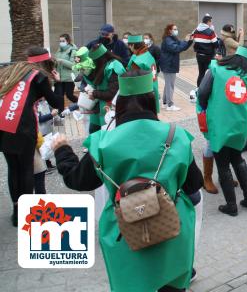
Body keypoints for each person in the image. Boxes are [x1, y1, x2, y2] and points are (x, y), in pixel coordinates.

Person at [52, 70, 202, 292]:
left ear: (118, 105)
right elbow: (193, 184)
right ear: (152, 101)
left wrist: (63, 150)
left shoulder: (103, 142)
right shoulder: (176, 135)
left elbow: (78, 180)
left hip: (125, 233)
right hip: (172, 228)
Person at [0, 47, 63, 226]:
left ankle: (16, 212)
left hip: (3, 124)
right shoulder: (39, 77)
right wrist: (58, 82)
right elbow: (57, 103)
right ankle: (26, 213)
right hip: (23, 127)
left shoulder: (13, 70)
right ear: (45, 63)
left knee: (13, 169)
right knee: (26, 169)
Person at [197, 45, 247, 215]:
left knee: (223, 164)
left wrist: (208, 107)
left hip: (221, 124)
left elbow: (202, 93)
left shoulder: (216, 68)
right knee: (237, 158)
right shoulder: (245, 76)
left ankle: (231, 206)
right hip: (240, 123)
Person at [85, 44, 126, 133]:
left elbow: (113, 93)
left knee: (107, 135)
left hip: (110, 108)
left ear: (99, 60)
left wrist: (94, 93)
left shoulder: (114, 67)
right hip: (98, 107)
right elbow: (96, 83)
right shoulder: (102, 66)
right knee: (93, 133)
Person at [160, 24, 193, 111]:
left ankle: (165, 102)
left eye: (176, 29)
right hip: (168, 65)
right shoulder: (168, 40)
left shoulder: (172, 39)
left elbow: (181, 45)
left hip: (170, 64)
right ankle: (170, 105)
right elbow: (177, 48)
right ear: (169, 30)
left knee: (168, 84)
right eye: (174, 29)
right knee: (170, 85)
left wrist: (188, 41)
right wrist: (186, 41)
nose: (176, 30)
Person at [127, 35, 160, 113]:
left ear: (132, 45)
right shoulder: (147, 54)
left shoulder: (137, 61)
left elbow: (132, 80)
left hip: (143, 93)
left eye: (129, 46)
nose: (129, 48)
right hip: (153, 88)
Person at [193, 14, 219, 86]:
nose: (211, 23)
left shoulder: (196, 30)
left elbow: (192, 38)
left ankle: (198, 89)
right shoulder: (210, 32)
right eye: (211, 22)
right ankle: (205, 89)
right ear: (208, 22)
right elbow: (216, 44)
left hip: (199, 55)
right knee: (209, 74)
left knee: (201, 73)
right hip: (208, 56)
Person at [54, 33, 78, 113]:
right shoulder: (59, 50)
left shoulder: (73, 51)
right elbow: (56, 62)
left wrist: (61, 61)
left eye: (63, 41)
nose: (61, 43)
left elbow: (73, 65)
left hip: (68, 78)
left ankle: (80, 104)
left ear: (68, 41)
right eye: (60, 41)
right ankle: (61, 113)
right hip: (59, 78)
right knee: (59, 96)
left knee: (69, 95)